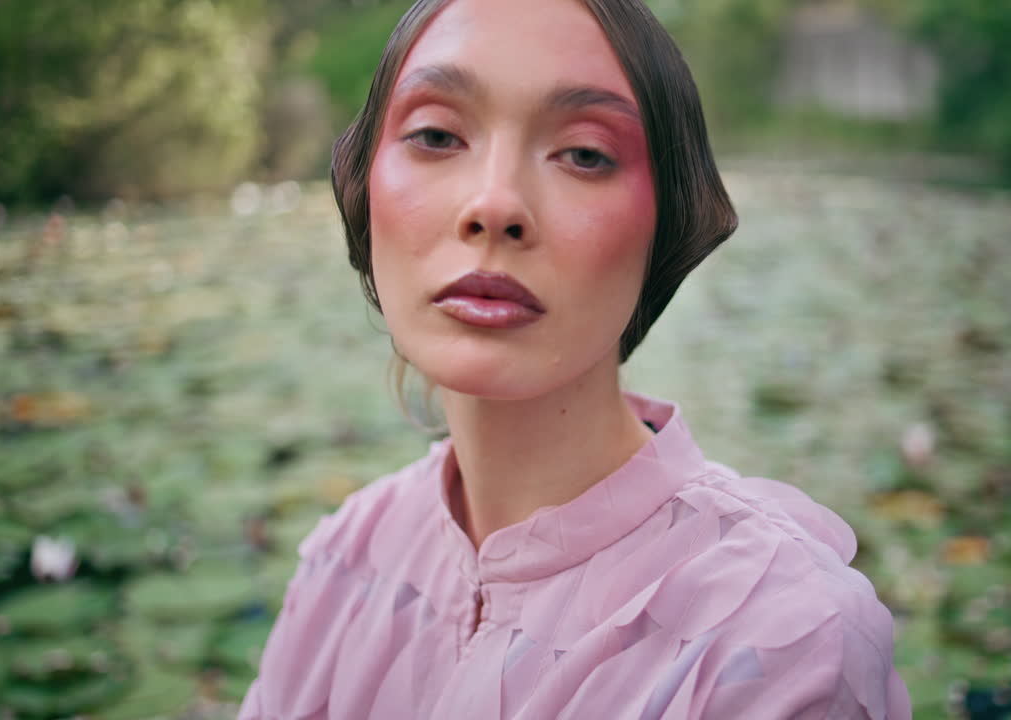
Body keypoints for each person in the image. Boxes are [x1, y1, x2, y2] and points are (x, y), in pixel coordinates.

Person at [237, 0, 910, 717]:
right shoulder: (346, 559)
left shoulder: (782, 643)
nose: (495, 205)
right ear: (362, 188)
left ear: (669, 224)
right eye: (436, 135)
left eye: (585, 154)